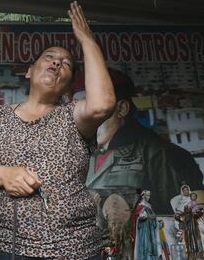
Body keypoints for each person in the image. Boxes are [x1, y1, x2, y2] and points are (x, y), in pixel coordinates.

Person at [0, 1, 116, 260]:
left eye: (66, 63)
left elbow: (103, 105)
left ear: (68, 85)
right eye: (49, 57)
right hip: (2, 248)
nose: (56, 63)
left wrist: (87, 39)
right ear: (29, 71)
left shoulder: (72, 115)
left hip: (75, 250)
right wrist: (2, 173)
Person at [72, 69, 204, 215]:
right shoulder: (80, 154)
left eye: (94, 108)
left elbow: (183, 219)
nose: (84, 117)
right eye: (79, 109)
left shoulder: (159, 154)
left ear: (121, 109)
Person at [131, 190, 161, 260]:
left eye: (149, 196)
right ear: (143, 196)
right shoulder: (140, 206)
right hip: (143, 231)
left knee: (152, 247)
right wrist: (141, 217)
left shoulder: (149, 206)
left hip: (151, 230)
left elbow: (153, 217)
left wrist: (155, 220)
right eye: (147, 195)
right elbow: (136, 218)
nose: (148, 197)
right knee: (145, 247)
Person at [176, 192, 204, 260]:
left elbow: (199, 211)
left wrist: (199, 211)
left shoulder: (197, 204)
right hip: (190, 223)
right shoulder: (189, 204)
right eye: (192, 196)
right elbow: (186, 212)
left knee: (198, 238)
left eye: (194, 196)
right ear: (190, 197)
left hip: (196, 223)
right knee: (191, 237)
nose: (193, 197)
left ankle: (199, 253)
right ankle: (192, 253)